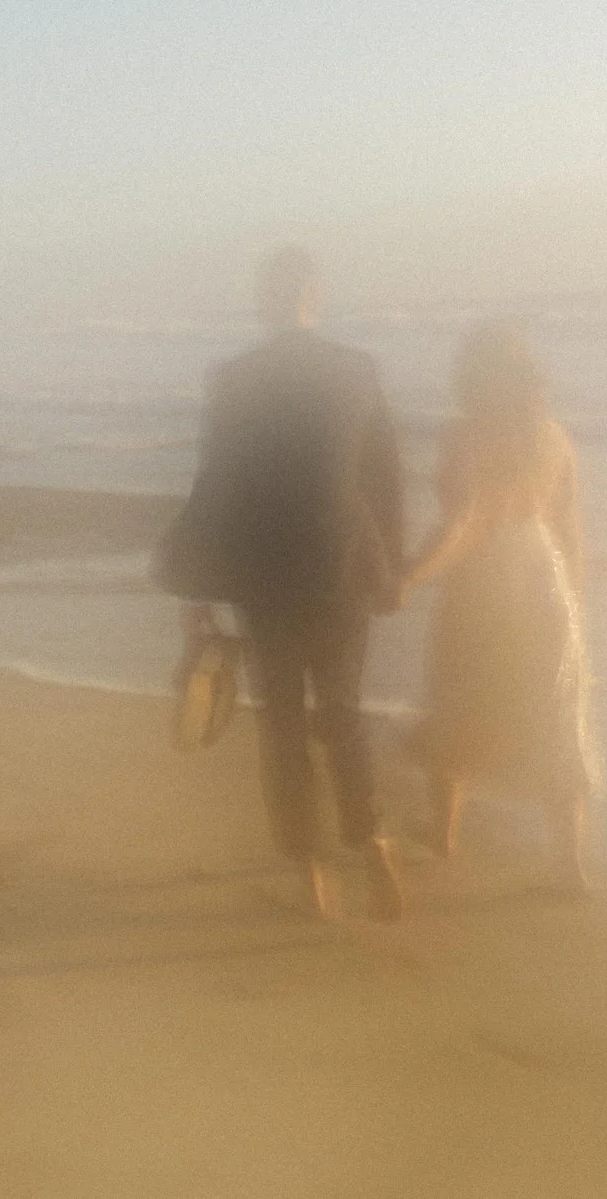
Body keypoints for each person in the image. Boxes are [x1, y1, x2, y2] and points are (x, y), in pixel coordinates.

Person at [165, 247, 409, 921]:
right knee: (343, 711)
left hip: (265, 575)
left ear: (264, 299)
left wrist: (195, 590)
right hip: (343, 568)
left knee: (281, 725)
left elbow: (214, 486)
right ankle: (375, 842)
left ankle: (314, 876)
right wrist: (392, 568)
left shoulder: (235, 379)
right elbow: (384, 475)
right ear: (315, 294)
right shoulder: (357, 371)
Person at [401, 322, 598, 893]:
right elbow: (569, 526)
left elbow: (465, 521)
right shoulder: (554, 437)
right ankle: (570, 862)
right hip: (544, 579)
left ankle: (444, 831)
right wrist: (574, 602)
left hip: (485, 577)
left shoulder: (465, 435)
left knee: (457, 692)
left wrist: (413, 574)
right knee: (554, 710)